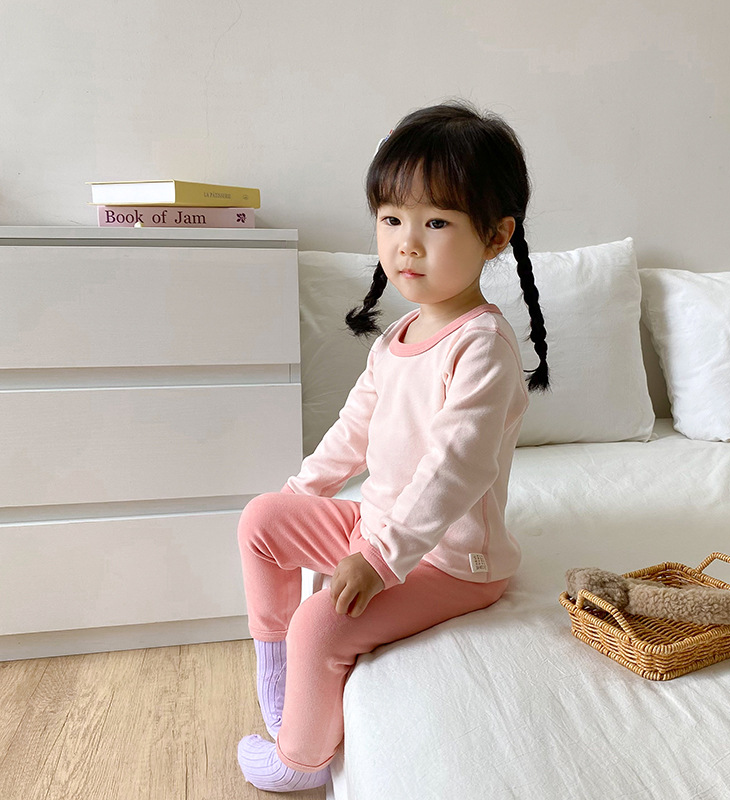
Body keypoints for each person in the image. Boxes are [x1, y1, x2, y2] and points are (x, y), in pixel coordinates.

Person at [236, 100, 549, 792]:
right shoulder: (396, 339)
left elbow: (455, 469)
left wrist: (378, 559)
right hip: (377, 527)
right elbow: (353, 431)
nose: (407, 243)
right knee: (261, 520)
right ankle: (278, 675)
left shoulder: (483, 348)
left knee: (321, 624)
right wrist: (303, 497)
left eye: (436, 222)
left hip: (449, 560)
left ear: (496, 236)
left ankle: (301, 761)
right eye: (391, 219)